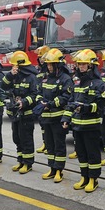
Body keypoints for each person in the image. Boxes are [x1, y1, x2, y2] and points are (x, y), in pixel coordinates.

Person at [62, 49, 105, 192]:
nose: (81, 67)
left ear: (91, 65)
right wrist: (66, 119)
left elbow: (102, 106)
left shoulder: (99, 84)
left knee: (92, 154)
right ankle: (84, 177)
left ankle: (93, 180)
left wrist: (86, 108)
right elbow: (70, 102)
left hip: (91, 127)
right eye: (80, 64)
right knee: (81, 153)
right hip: (77, 127)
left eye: (84, 64)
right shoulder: (76, 83)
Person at [39, 48, 74, 183]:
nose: (49, 67)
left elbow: (66, 97)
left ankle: (59, 170)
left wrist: (51, 104)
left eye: (51, 64)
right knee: (49, 144)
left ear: (58, 65)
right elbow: (39, 92)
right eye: (47, 64)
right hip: (46, 118)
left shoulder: (65, 79)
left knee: (59, 145)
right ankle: (52, 168)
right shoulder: (46, 78)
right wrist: (40, 102)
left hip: (58, 118)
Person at [3, 50, 40, 174]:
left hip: (26, 114)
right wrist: (9, 75)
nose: (13, 67)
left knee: (26, 139)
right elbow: (3, 86)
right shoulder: (14, 76)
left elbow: (35, 95)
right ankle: (20, 160)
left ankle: (28, 163)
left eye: (15, 65)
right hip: (16, 115)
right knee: (17, 138)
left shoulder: (31, 77)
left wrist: (23, 102)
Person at [34, 45, 50, 155]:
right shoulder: (39, 70)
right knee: (42, 123)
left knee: (49, 126)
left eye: (43, 57)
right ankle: (45, 143)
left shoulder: (51, 70)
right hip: (41, 100)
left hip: (49, 102)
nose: (41, 60)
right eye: (40, 58)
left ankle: (49, 145)